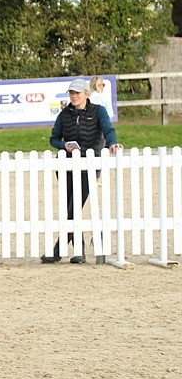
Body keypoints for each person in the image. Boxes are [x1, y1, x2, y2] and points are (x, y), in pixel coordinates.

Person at [42, 78, 121, 264]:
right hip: (66, 166)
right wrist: (64, 146)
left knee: (75, 207)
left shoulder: (98, 111)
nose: (74, 96)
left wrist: (112, 143)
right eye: (71, 93)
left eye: (77, 93)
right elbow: (54, 139)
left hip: (88, 166)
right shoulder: (64, 114)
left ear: (86, 94)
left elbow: (108, 130)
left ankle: (59, 249)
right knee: (71, 207)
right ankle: (79, 252)